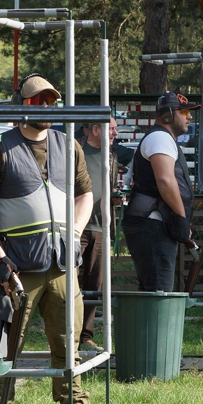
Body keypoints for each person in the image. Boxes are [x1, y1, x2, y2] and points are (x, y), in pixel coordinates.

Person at [0, 73, 117, 404]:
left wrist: (75, 233)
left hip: (63, 266)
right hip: (18, 267)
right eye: (38, 101)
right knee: (8, 347)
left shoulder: (69, 146)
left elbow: (85, 195)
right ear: (21, 105)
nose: (47, 107)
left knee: (69, 344)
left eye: (52, 101)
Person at [122, 92, 199, 291]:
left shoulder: (161, 138)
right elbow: (165, 181)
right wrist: (181, 218)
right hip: (154, 224)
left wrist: (180, 220)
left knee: (153, 291)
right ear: (167, 114)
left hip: (156, 223)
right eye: (184, 111)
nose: (189, 116)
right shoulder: (160, 137)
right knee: (158, 292)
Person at [77, 118, 119, 351]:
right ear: (95, 129)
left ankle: (85, 337)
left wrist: (115, 197)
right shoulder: (76, 151)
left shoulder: (111, 156)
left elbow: (107, 188)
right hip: (77, 226)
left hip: (101, 227)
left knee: (95, 284)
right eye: (111, 128)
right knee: (69, 282)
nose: (115, 133)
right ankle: (67, 332)